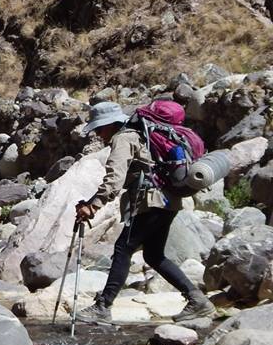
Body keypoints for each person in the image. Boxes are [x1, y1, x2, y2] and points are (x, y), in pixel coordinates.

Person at [74, 101, 215, 325]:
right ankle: (197, 300)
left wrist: (93, 205)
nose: (98, 135)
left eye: (99, 129)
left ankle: (103, 306)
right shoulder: (141, 134)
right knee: (153, 255)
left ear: (111, 124)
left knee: (123, 248)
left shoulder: (124, 138)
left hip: (151, 202)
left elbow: (114, 179)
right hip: (168, 200)